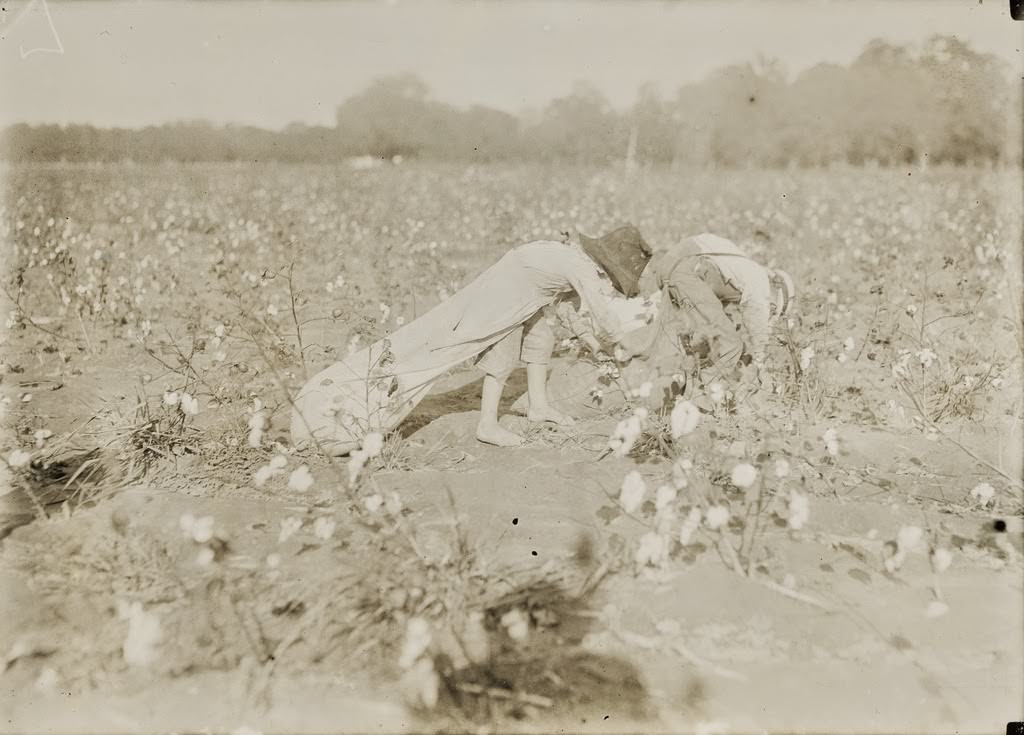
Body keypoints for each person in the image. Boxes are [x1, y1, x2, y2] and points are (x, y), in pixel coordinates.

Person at [290, 225, 653, 455]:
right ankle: (488, 424)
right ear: (603, 265)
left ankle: (539, 405)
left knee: (542, 336)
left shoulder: (574, 260)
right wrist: (628, 347)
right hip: (506, 294)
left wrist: (594, 343)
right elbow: (602, 314)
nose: (611, 284)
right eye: (613, 278)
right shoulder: (579, 268)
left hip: (532, 293)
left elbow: (574, 315)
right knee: (501, 355)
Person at [632, 232, 796, 378]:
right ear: (776, 287)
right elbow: (756, 317)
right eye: (773, 308)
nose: (770, 310)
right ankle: (706, 396)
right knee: (731, 345)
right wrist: (760, 359)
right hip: (687, 268)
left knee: (685, 341)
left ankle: (679, 385)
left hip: (671, 266)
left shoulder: (739, 267)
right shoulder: (760, 278)